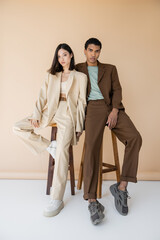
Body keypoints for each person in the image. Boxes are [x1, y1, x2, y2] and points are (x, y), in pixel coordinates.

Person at [13, 43, 88, 217]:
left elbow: (83, 103)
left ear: (70, 55)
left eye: (64, 55)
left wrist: (79, 126)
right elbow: (41, 97)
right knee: (18, 127)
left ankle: (57, 199)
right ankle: (48, 146)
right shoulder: (51, 76)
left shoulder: (80, 77)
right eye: (59, 56)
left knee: (62, 153)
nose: (62, 59)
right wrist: (37, 114)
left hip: (68, 115)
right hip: (50, 112)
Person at [75, 38, 142, 225]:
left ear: (100, 52)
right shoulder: (78, 69)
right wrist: (77, 123)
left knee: (135, 138)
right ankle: (92, 200)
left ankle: (121, 188)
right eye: (90, 50)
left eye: (97, 51)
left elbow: (117, 90)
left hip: (112, 107)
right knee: (91, 149)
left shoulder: (110, 68)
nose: (93, 54)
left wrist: (114, 110)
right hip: (92, 109)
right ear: (84, 50)